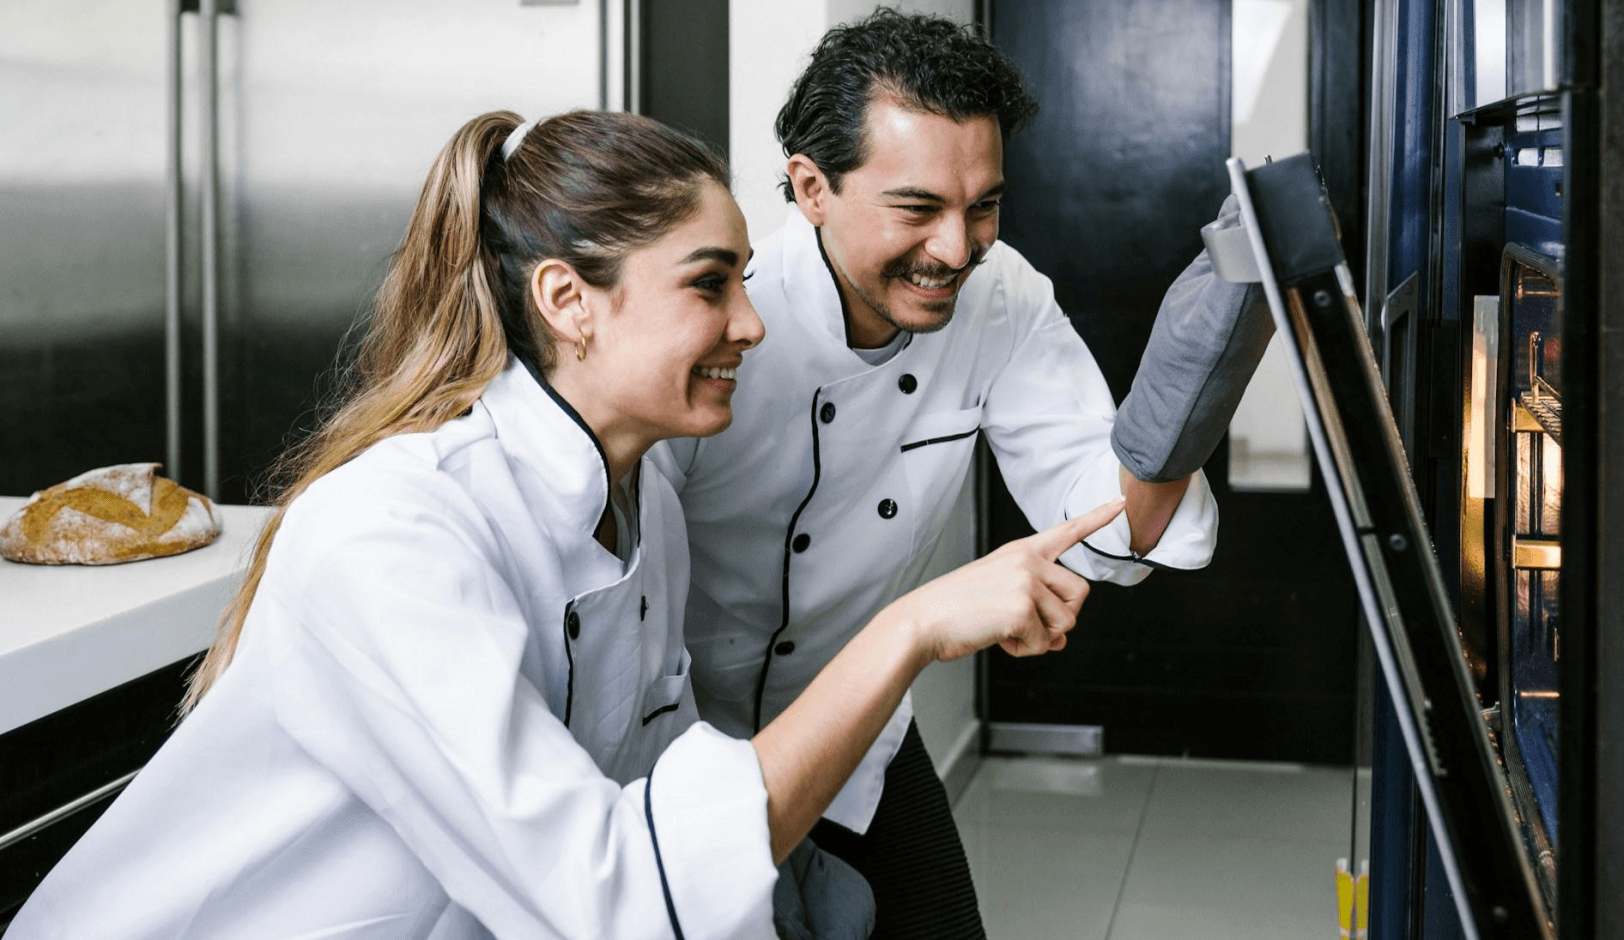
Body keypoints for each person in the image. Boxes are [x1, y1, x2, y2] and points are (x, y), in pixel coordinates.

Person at [5, 109, 1123, 940]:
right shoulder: (393, 532)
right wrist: (909, 627)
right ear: (565, 301)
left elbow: (646, 789)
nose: (752, 323)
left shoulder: (642, 503)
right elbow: (610, 897)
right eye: (710, 285)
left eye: (744, 280)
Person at [653, 10, 1273, 939]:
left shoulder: (1001, 297)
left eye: (983, 205)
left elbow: (1112, 522)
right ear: (812, 188)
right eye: (917, 209)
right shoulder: (724, 321)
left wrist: (1189, 383)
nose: (956, 249)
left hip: (859, 722)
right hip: (680, 748)